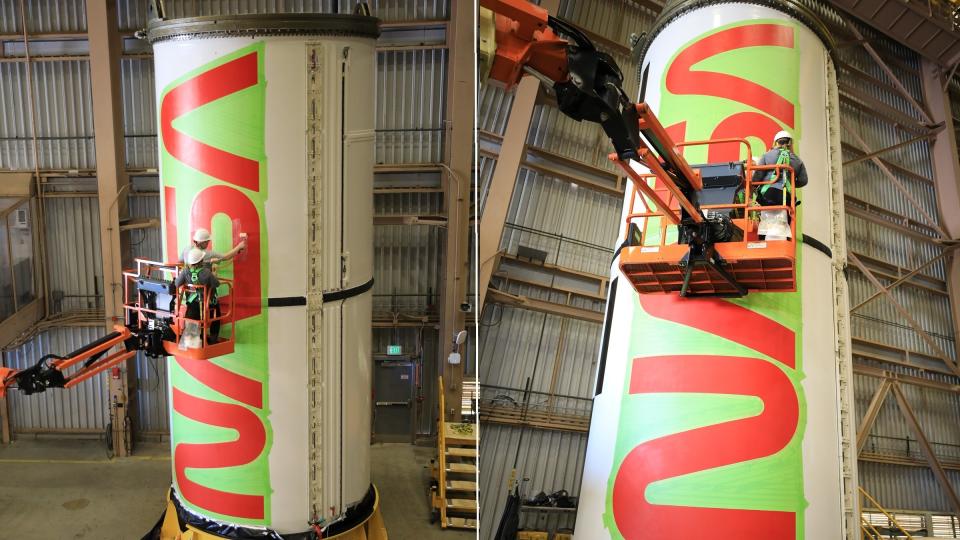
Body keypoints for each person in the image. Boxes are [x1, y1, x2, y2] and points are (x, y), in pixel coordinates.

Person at [175, 248, 221, 345]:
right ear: (201, 261)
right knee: (217, 315)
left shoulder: (185, 271)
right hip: (207, 303)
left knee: (190, 321)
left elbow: (177, 283)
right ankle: (213, 339)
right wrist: (215, 274)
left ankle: (189, 342)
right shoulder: (207, 273)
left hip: (192, 304)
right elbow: (216, 284)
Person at [752, 130, 808, 207]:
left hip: (768, 194)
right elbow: (803, 181)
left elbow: (758, 175)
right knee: (787, 217)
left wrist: (753, 186)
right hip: (787, 197)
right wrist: (791, 183)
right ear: (791, 143)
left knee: (764, 216)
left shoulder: (767, 155)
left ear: (776, 143)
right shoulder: (797, 161)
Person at [179, 228, 246, 267]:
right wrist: (239, 246)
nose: (208, 244)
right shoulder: (205, 253)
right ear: (203, 242)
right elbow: (226, 257)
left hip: (189, 286)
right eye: (207, 242)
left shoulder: (187, 249)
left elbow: (180, 262)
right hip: (204, 286)